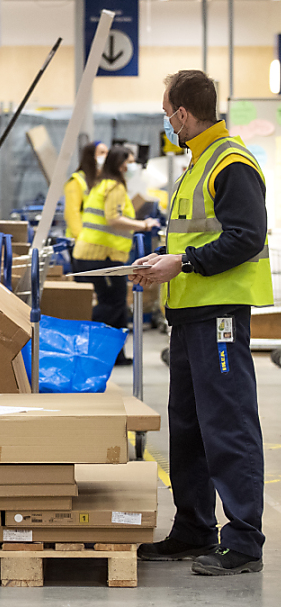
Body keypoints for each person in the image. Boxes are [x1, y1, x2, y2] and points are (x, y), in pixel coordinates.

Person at [131, 70, 271, 576]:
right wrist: (163, 262)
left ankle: (244, 541)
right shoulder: (198, 162)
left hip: (220, 316)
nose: (168, 124)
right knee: (188, 426)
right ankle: (193, 528)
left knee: (227, 423)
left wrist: (184, 263)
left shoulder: (230, 162)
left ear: (183, 113)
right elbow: (196, 238)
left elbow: (246, 236)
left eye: (168, 115)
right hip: (191, 314)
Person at [72, 144, 157, 332]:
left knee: (115, 302)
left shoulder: (101, 184)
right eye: (130, 162)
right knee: (112, 304)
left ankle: (117, 347)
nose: (133, 166)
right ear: (120, 165)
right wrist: (144, 225)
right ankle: (82, 333)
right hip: (102, 255)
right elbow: (113, 219)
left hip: (91, 253)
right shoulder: (114, 187)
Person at [64, 141, 108, 240]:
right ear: (91, 156)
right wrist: (81, 238)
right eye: (102, 153)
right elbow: (72, 213)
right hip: (80, 241)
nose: (106, 156)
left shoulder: (102, 181)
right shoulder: (76, 181)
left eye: (107, 153)